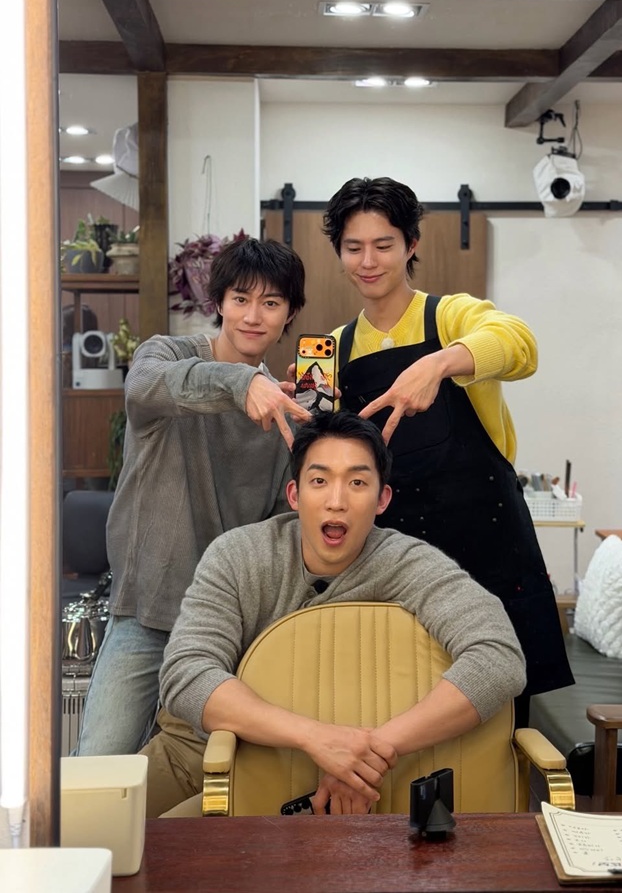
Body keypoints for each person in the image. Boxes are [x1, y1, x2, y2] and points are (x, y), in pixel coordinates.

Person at [143, 410, 526, 816]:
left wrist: (369, 754)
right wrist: (316, 737)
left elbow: (498, 656)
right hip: (203, 749)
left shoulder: (406, 562)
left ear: (382, 499)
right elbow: (186, 673)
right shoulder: (238, 555)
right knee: (104, 828)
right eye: (320, 481)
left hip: (368, 773)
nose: (337, 501)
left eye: (357, 482)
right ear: (295, 495)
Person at [323, 177, 574, 721]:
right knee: (401, 712)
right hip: (394, 559)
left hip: (489, 543)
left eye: (383, 244)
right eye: (353, 247)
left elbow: (520, 345)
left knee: (502, 720)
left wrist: (439, 363)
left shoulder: (451, 316)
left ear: (411, 244)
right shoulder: (335, 347)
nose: (368, 261)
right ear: (339, 253)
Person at [75, 237, 311, 756]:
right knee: (99, 765)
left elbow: (279, 528)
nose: (253, 316)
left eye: (271, 303)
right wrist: (241, 384)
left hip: (225, 627)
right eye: (241, 299)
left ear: (289, 314)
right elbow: (145, 387)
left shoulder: (281, 413)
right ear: (219, 302)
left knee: (214, 777)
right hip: (147, 610)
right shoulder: (167, 354)